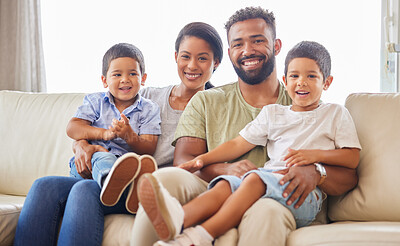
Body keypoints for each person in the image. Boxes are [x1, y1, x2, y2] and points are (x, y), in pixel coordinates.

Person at [131, 7, 359, 246]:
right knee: (165, 178)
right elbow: (188, 161)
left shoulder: (309, 105)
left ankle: (197, 235)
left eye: (258, 41)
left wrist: (317, 172)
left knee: (265, 210)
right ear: (229, 53)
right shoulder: (209, 101)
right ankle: (177, 222)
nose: (248, 50)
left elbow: (349, 171)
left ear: (277, 46)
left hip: (280, 197)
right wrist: (226, 170)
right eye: (238, 44)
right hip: (222, 186)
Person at [14, 22, 223, 246]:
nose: (192, 65)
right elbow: (89, 124)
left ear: (216, 63)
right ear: (175, 57)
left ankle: (108, 179)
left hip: (146, 187)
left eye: (202, 58)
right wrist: (83, 145)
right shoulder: (148, 95)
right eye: (185, 56)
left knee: (86, 189)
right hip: (110, 171)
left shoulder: (215, 108)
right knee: (42, 187)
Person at [66, 42, 161, 213]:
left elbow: (149, 148)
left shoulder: (149, 108)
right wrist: (104, 133)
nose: (125, 79)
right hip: (89, 164)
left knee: (139, 163)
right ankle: (117, 186)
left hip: (126, 165)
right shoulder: (95, 102)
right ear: (104, 80)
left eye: (132, 73)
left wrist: (128, 135)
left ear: (143, 78)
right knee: (103, 157)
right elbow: (73, 128)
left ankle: (126, 186)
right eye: (117, 74)